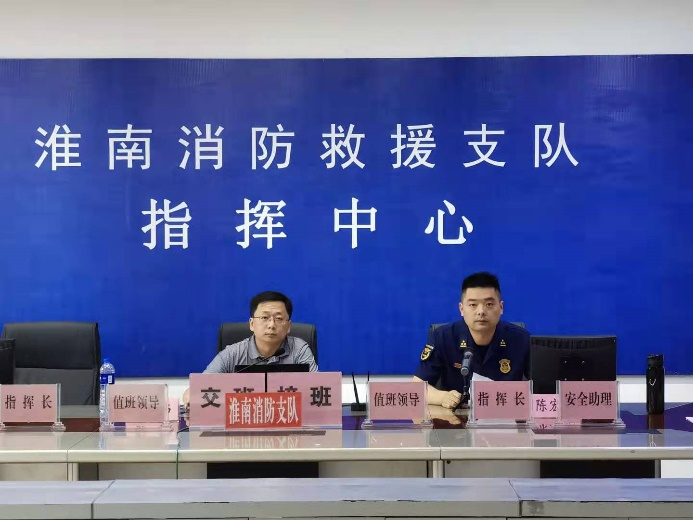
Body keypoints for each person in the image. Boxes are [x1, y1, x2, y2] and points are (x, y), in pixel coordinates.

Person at [413, 272, 530, 409]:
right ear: (461, 309)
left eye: (489, 304)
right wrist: (442, 397)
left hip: (506, 417)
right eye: (473, 305)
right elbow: (417, 388)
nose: (481, 311)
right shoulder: (443, 337)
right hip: (455, 419)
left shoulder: (521, 339)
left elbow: (543, 388)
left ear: (501, 308)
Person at [182, 291, 317, 407]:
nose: (271, 325)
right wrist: (190, 394)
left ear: (288, 326)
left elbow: (316, 388)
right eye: (264, 318)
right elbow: (200, 387)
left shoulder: (299, 349)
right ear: (252, 324)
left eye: (279, 318)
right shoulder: (232, 353)